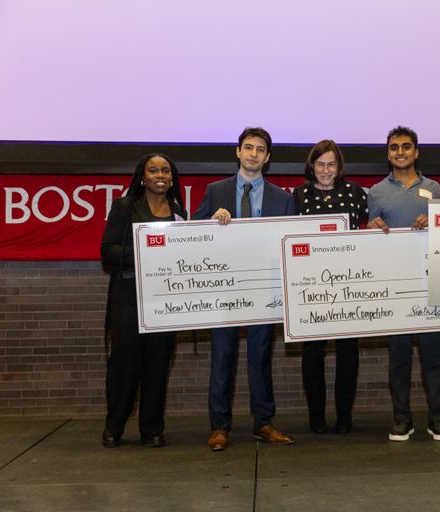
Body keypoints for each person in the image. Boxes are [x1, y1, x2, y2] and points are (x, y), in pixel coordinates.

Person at [193, 127, 297, 450]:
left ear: (267, 157)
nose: (253, 153)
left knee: (260, 357)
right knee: (222, 357)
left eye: (260, 149)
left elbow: (290, 244)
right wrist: (211, 222)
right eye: (248, 147)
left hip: (264, 291)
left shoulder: (283, 198)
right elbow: (192, 236)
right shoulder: (215, 191)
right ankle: (219, 427)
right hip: (224, 288)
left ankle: (263, 423)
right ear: (238, 152)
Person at [367, 126, 440, 442]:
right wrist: (371, 227)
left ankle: (438, 419)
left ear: (416, 151)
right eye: (394, 147)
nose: (400, 152)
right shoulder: (376, 192)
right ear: (388, 153)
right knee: (399, 359)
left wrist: (436, 222)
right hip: (395, 289)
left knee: (434, 358)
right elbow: (370, 242)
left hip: (430, 285)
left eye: (406, 146)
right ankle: (402, 419)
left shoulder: (436, 190)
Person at [100, 153, 187, 448]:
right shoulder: (125, 206)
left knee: (157, 365)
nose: (160, 175)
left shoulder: (179, 212)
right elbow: (108, 251)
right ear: (142, 177)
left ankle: (152, 428)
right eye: (153, 170)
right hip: (128, 300)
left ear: (172, 178)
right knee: (124, 365)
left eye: (165, 170)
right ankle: (114, 426)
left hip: (164, 302)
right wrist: (145, 253)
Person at [293, 140, 369, 434]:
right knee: (312, 352)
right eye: (321, 164)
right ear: (311, 166)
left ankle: (344, 416)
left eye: (332, 164)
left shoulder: (355, 194)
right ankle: (316, 417)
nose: (326, 170)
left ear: (340, 167)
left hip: (348, 283)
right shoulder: (299, 196)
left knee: (348, 352)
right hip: (311, 286)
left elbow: (371, 227)